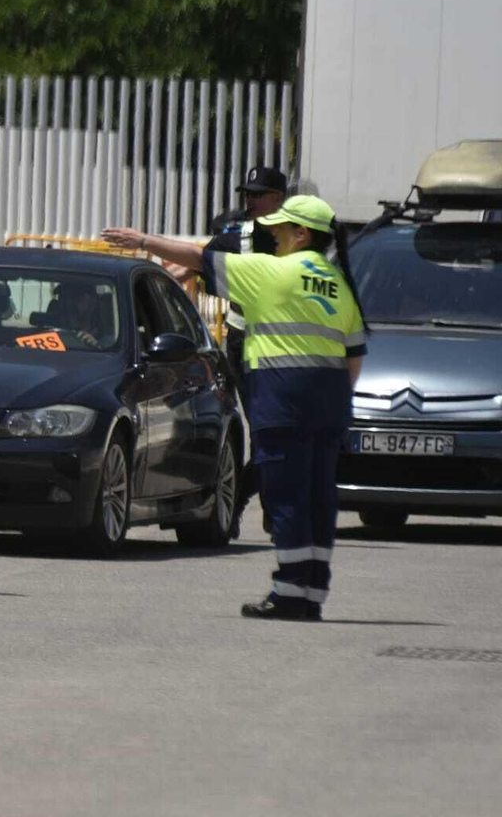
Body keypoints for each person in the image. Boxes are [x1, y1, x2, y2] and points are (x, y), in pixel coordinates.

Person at [101, 195, 367, 620]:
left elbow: (195, 256)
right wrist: (332, 400)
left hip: (283, 400)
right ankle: (313, 590)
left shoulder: (270, 271)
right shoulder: (339, 283)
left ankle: (289, 593)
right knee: (319, 496)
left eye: (280, 229)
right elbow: (353, 359)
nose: (272, 234)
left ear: (301, 235)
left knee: (286, 496)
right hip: (329, 404)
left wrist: (143, 240)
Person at [174, 166, 287, 532]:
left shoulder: (300, 236)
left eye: (257, 194)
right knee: (265, 431)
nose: (249, 201)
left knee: (278, 433)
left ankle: (242, 499)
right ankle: (263, 510)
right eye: (247, 194)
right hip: (245, 344)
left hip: (289, 347)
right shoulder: (239, 236)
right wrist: (178, 270)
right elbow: (198, 260)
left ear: (278, 199)